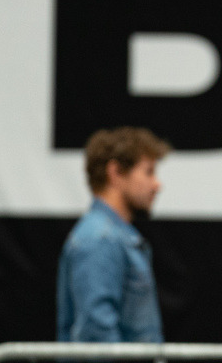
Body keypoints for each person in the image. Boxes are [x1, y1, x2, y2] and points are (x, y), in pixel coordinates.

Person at [56, 126, 170, 342]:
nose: (157, 184)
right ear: (115, 172)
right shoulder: (101, 239)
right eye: (148, 171)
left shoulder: (109, 236)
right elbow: (96, 333)